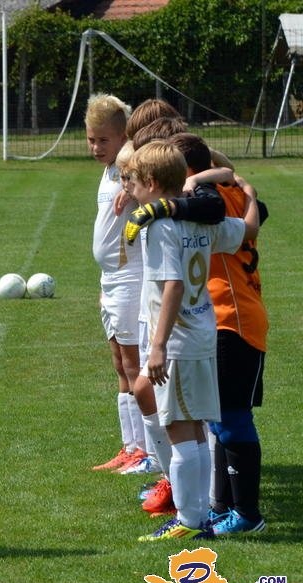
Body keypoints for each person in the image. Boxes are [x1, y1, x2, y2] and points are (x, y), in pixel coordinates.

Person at [126, 140, 259, 541]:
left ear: (152, 183)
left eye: (133, 180)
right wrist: (250, 194)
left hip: (178, 342)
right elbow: (248, 229)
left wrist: (157, 346)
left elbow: (173, 285)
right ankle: (199, 515)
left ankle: (188, 521)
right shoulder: (200, 219)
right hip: (204, 335)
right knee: (197, 430)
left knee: (179, 429)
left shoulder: (161, 227)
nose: (129, 187)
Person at [168, 133, 269, 536]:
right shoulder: (231, 192)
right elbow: (235, 180)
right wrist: (229, 178)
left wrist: (193, 183)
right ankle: (225, 508)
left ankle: (247, 515)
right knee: (220, 419)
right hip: (231, 318)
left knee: (232, 418)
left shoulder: (208, 200)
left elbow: (209, 200)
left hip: (234, 321)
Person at [84, 94, 148, 474]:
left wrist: (131, 179)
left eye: (103, 140)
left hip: (130, 278)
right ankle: (130, 446)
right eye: (91, 139)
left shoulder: (131, 163)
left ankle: (146, 450)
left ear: (122, 136)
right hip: (110, 279)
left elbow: (149, 143)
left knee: (134, 365)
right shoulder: (110, 169)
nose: (96, 147)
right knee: (120, 366)